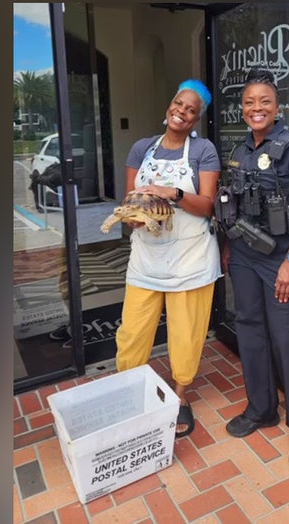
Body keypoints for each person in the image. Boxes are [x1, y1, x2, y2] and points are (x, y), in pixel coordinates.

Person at [219, 69, 289, 469]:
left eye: (264, 101)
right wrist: (229, 246)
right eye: (249, 102)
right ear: (243, 109)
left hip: (283, 258)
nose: (256, 108)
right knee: (250, 330)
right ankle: (261, 409)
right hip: (246, 255)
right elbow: (232, 202)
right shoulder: (239, 150)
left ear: (276, 106)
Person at [115, 79, 221, 438]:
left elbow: (207, 206)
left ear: (196, 119)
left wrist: (171, 193)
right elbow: (129, 199)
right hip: (146, 258)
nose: (182, 112)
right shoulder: (141, 148)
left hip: (190, 259)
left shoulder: (203, 151)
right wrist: (131, 215)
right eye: (179, 104)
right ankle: (129, 391)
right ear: (168, 106)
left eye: (191, 110)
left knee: (185, 334)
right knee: (132, 332)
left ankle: (180, 396)